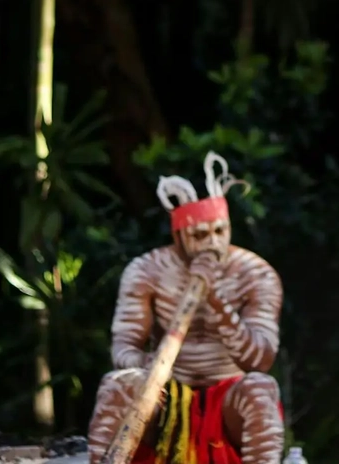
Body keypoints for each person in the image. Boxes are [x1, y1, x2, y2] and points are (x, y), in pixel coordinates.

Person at [87, 154, 284, 464]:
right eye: (200, 235)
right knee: (116, 385)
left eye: (221, 231)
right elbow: (124, 347)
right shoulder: (147, 271)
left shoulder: (255, 273)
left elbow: (261, 360)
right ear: (178, 236)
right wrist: (146, 370)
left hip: (228, 397)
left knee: (261, 389)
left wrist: (217, 302)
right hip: (166, 396)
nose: (213, 244)